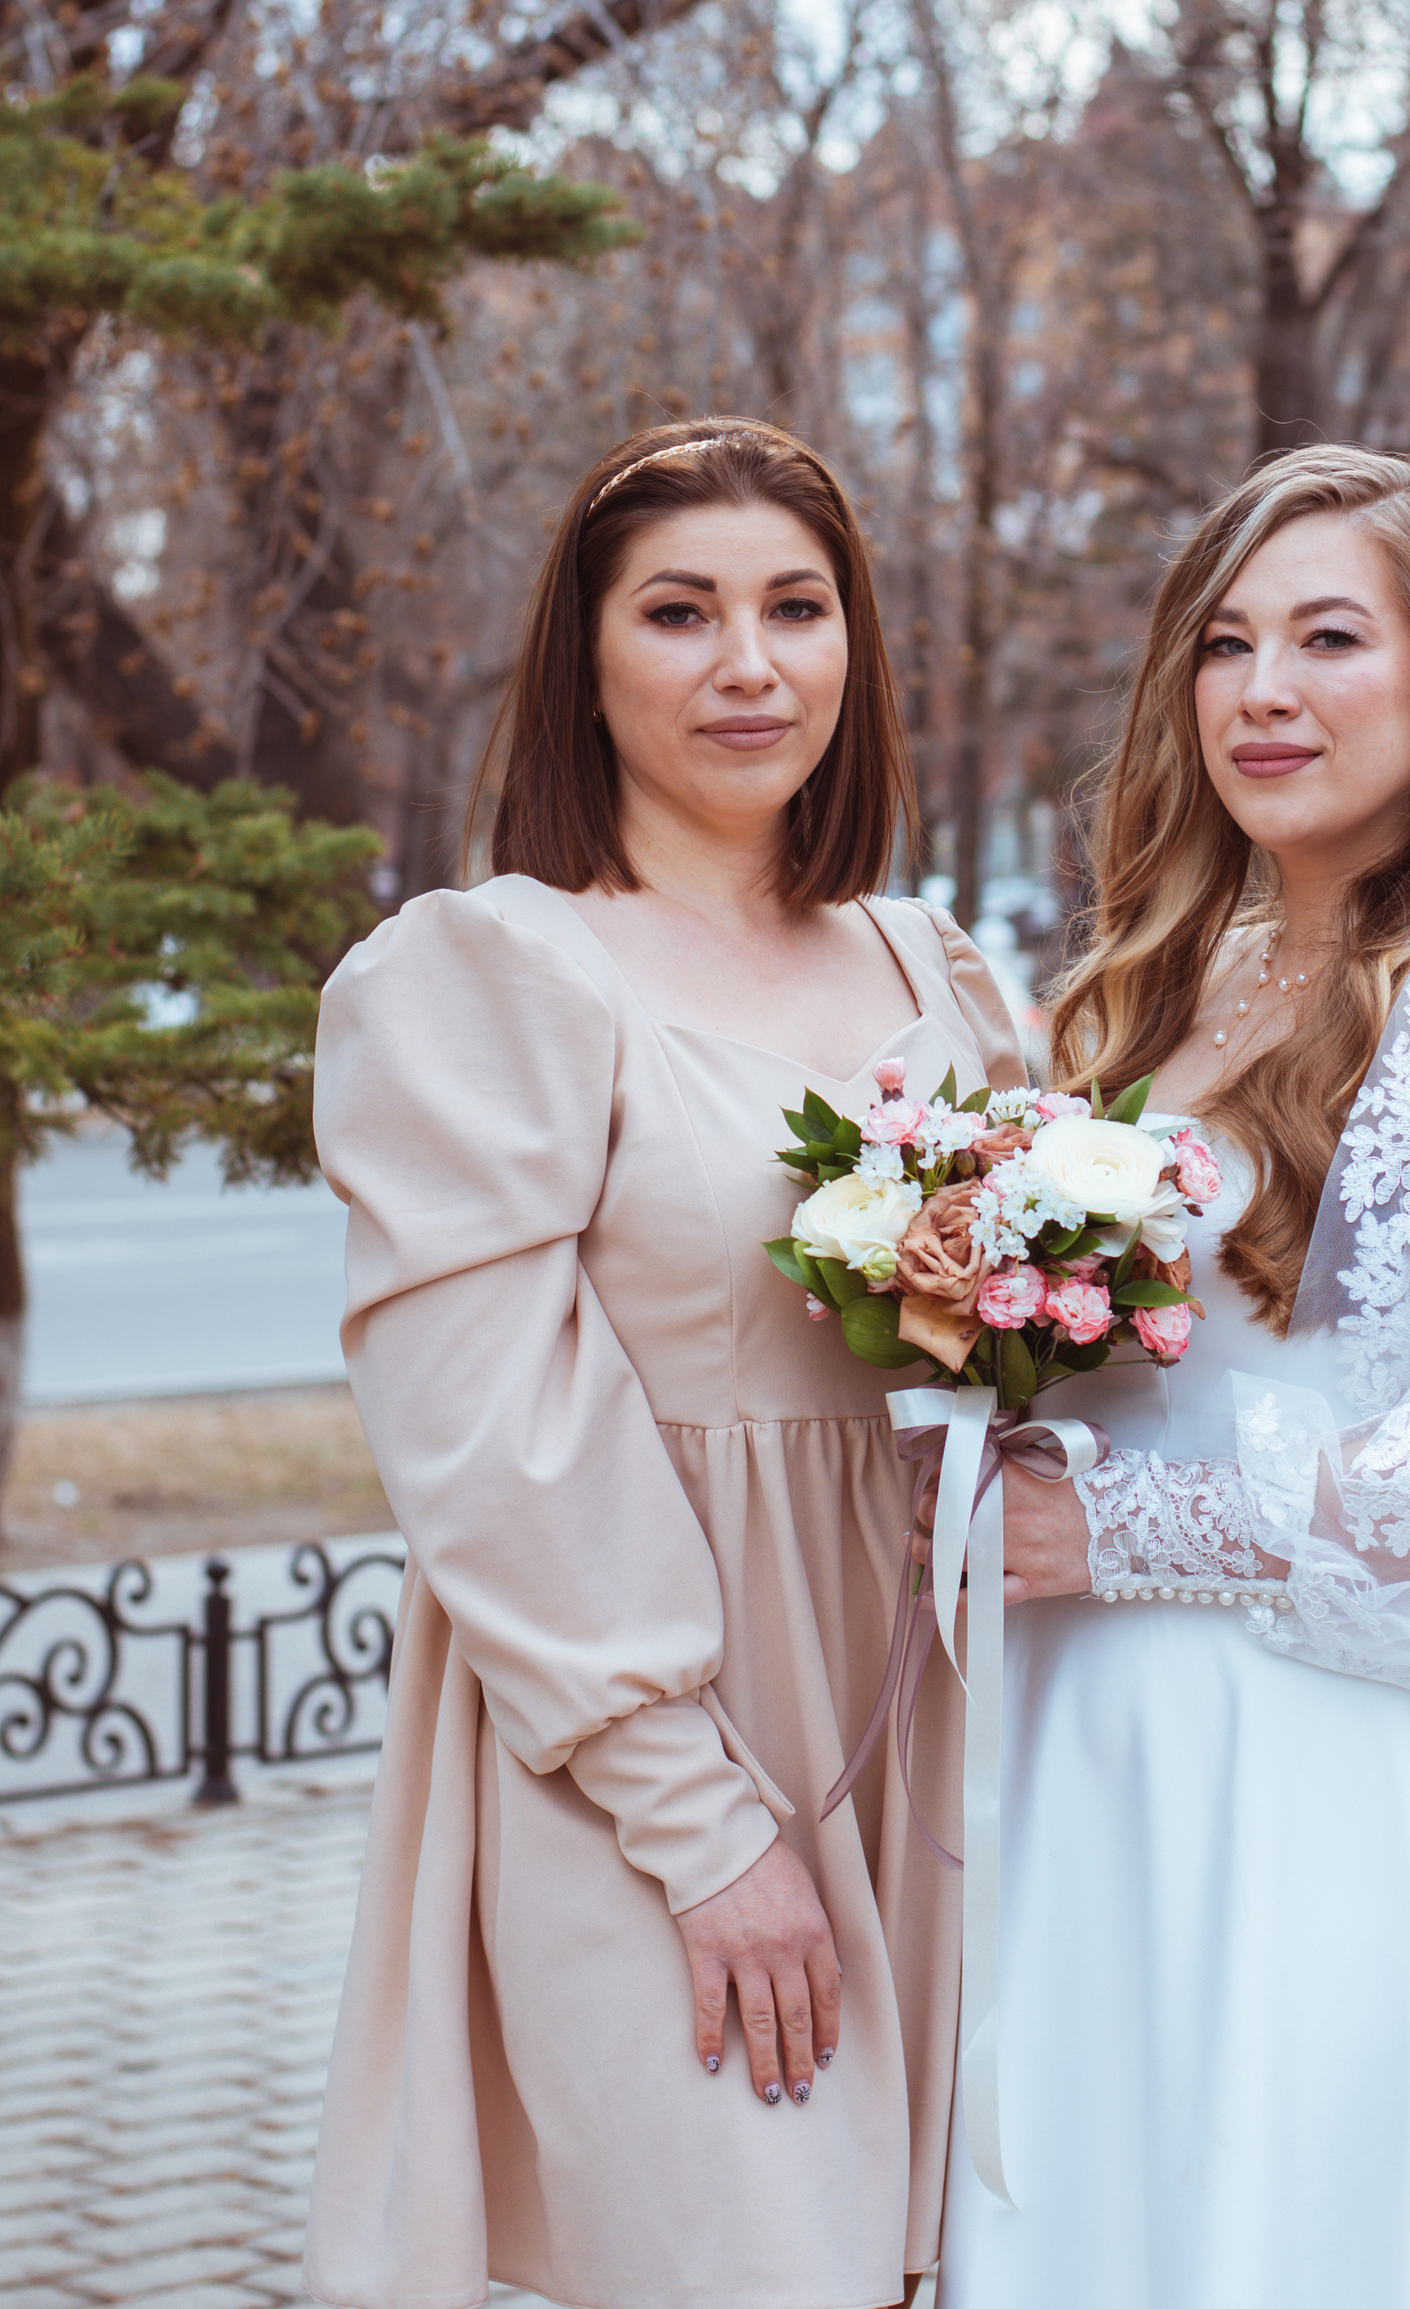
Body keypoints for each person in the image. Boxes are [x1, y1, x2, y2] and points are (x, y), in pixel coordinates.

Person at [301, 420, 1024, 2309]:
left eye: (798, 609)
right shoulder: (496, 972)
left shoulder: (939, 972)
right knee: (752, 2256)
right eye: (681, 613)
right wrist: (700, 1830)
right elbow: (484, 1435)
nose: (749, 665)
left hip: (929, 1724)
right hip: (650, 1737)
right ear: (588, 655)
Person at [938, 446, 1410, 2309]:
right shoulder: (1171, 982)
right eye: (1226, 643)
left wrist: (1126, 1529)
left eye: (1330, 640)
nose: (1264, 691)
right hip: (1092, 1742)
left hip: (1313, 1756)